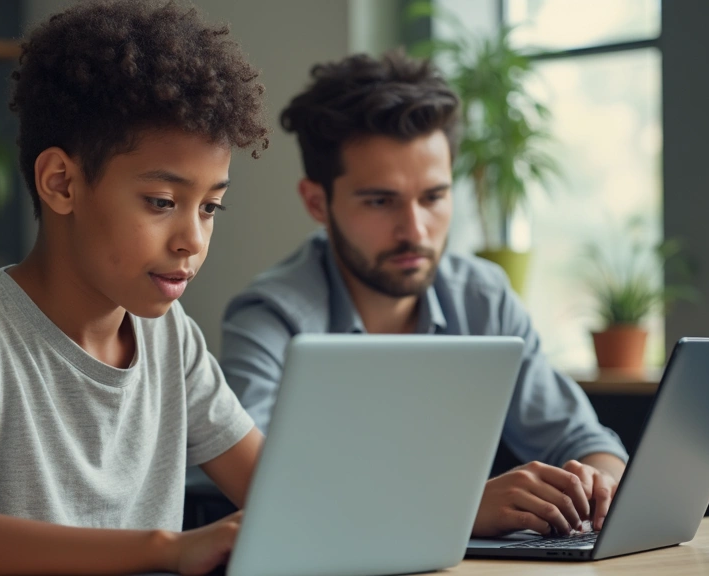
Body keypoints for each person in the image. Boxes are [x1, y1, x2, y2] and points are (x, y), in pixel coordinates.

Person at [0, 2, 269, 574]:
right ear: (61, 183)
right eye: (162, 202)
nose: (193, 240)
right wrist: (164, 550)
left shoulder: (170, 338)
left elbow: (282, 498)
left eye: (210, 207)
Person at [220, 51, 629, 538]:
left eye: (433, 197)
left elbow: (585, 439)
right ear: (317, 202)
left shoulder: (483, 297)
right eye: (380, 201)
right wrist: (462, 511)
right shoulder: (268, 318)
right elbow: (270, 490)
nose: (414, 230)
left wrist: (595, 484)